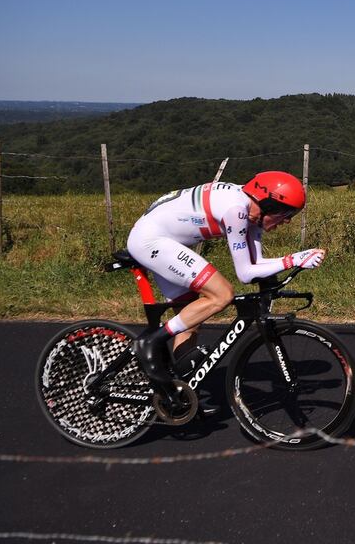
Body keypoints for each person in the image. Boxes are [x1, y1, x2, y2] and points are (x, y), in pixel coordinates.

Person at [127, 171, 326, 411]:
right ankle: (149, 343)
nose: (287, 221)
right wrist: (293, 259)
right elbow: (245, 274)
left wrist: (284, 269)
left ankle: (178, 391)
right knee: (222, 294)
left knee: (191, 317)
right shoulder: (236, 211)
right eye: (285, 213)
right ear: (267, 204)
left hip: (165, 239)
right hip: (151, 240)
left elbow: (258, 265)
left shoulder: (252, 211)